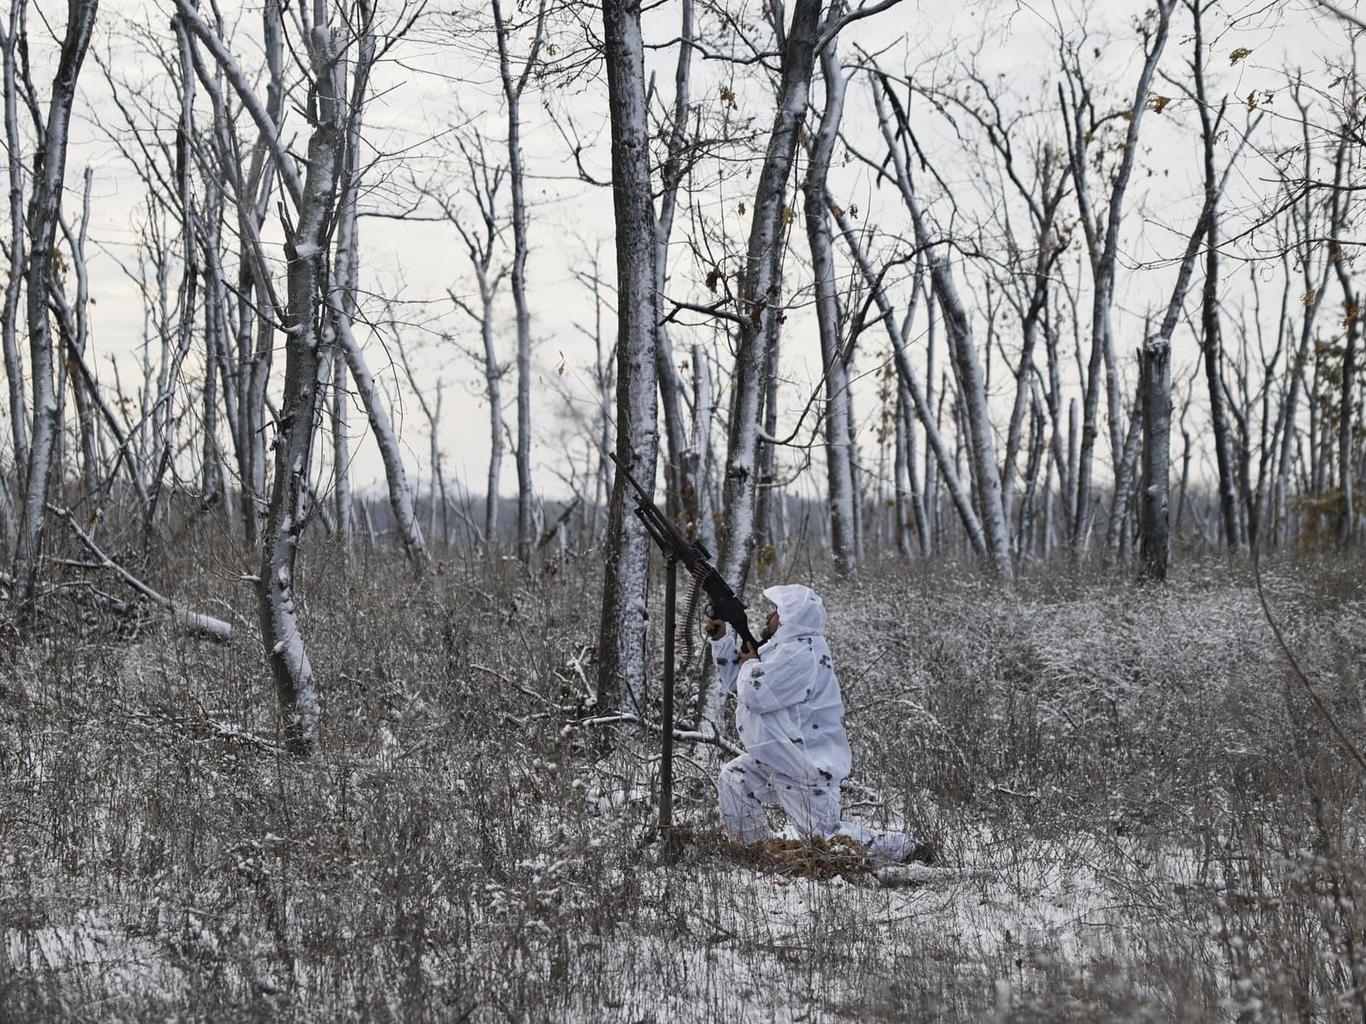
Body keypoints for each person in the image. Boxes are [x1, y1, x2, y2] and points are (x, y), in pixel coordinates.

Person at [705, 583, 932, 864]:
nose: (769, 616)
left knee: (827, 840)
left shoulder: (801, 656)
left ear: (792, 617)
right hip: (780, 758)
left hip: (806, 766)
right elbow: (739, 685)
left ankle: (907, 850)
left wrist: (750, 663)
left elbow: (755, 694)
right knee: (735, 779)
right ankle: (753, 855)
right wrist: (721, 642)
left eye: (777, 612)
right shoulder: (782, 650)